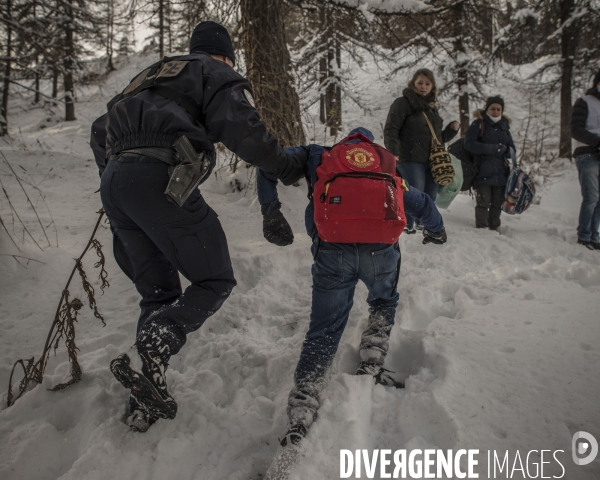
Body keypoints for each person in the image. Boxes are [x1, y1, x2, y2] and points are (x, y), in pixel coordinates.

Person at [89, 21, 308, 432]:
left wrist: (117, 176)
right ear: (224, 54)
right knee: (215, 279)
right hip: (163, 178)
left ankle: (144, 390)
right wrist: (288, 166)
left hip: (115, 185)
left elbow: (98, 130)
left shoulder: (149, 76)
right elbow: (246, 131)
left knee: (158, 292)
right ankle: (158, 341)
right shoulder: (215, 72)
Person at [257, 127, 447, 447]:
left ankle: (304, 404)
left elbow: (267, 163)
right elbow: (418, 200)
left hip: (333, 248)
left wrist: (270, 209)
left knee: (324, 329)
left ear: (344, 142)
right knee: (384, 300)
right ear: (370, 143)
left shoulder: (318, 154)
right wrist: (437, 230)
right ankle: (372, 361)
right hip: (380, 251)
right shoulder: (385, 161)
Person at [383, 68, 459, 233]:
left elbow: (436, 138)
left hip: (431, 160)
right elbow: (391, 128)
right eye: (420, 83)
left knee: (429, 197)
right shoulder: (402, 103)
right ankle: (407, 226)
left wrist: (451, 131)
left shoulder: (432, 107)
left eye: (427, 83)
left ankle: (425, 226)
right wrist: (393, 150)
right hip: (410, 157)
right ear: (413, 84)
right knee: (413, 194)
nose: (423, 86)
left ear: (432, 86)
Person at [464, 96, 516, 230]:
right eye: (493, 108)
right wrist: (492, 148)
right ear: (487, 109)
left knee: (497, 203)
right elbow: (469, 143)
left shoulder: (505, 127)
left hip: (501, 172)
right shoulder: (479, 124)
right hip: (482, 170)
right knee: (483, 202)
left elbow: (512, 150)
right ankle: (481, 229)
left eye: (499, 109)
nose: (496, 111)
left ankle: (494, 227)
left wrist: (504, 150)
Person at [571, 69, 600, 250]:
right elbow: (576, 129)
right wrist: (597, 142)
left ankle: (594, 235)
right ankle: (584, 235)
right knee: (591, 196)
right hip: (587, 153)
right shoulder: (584, 102)